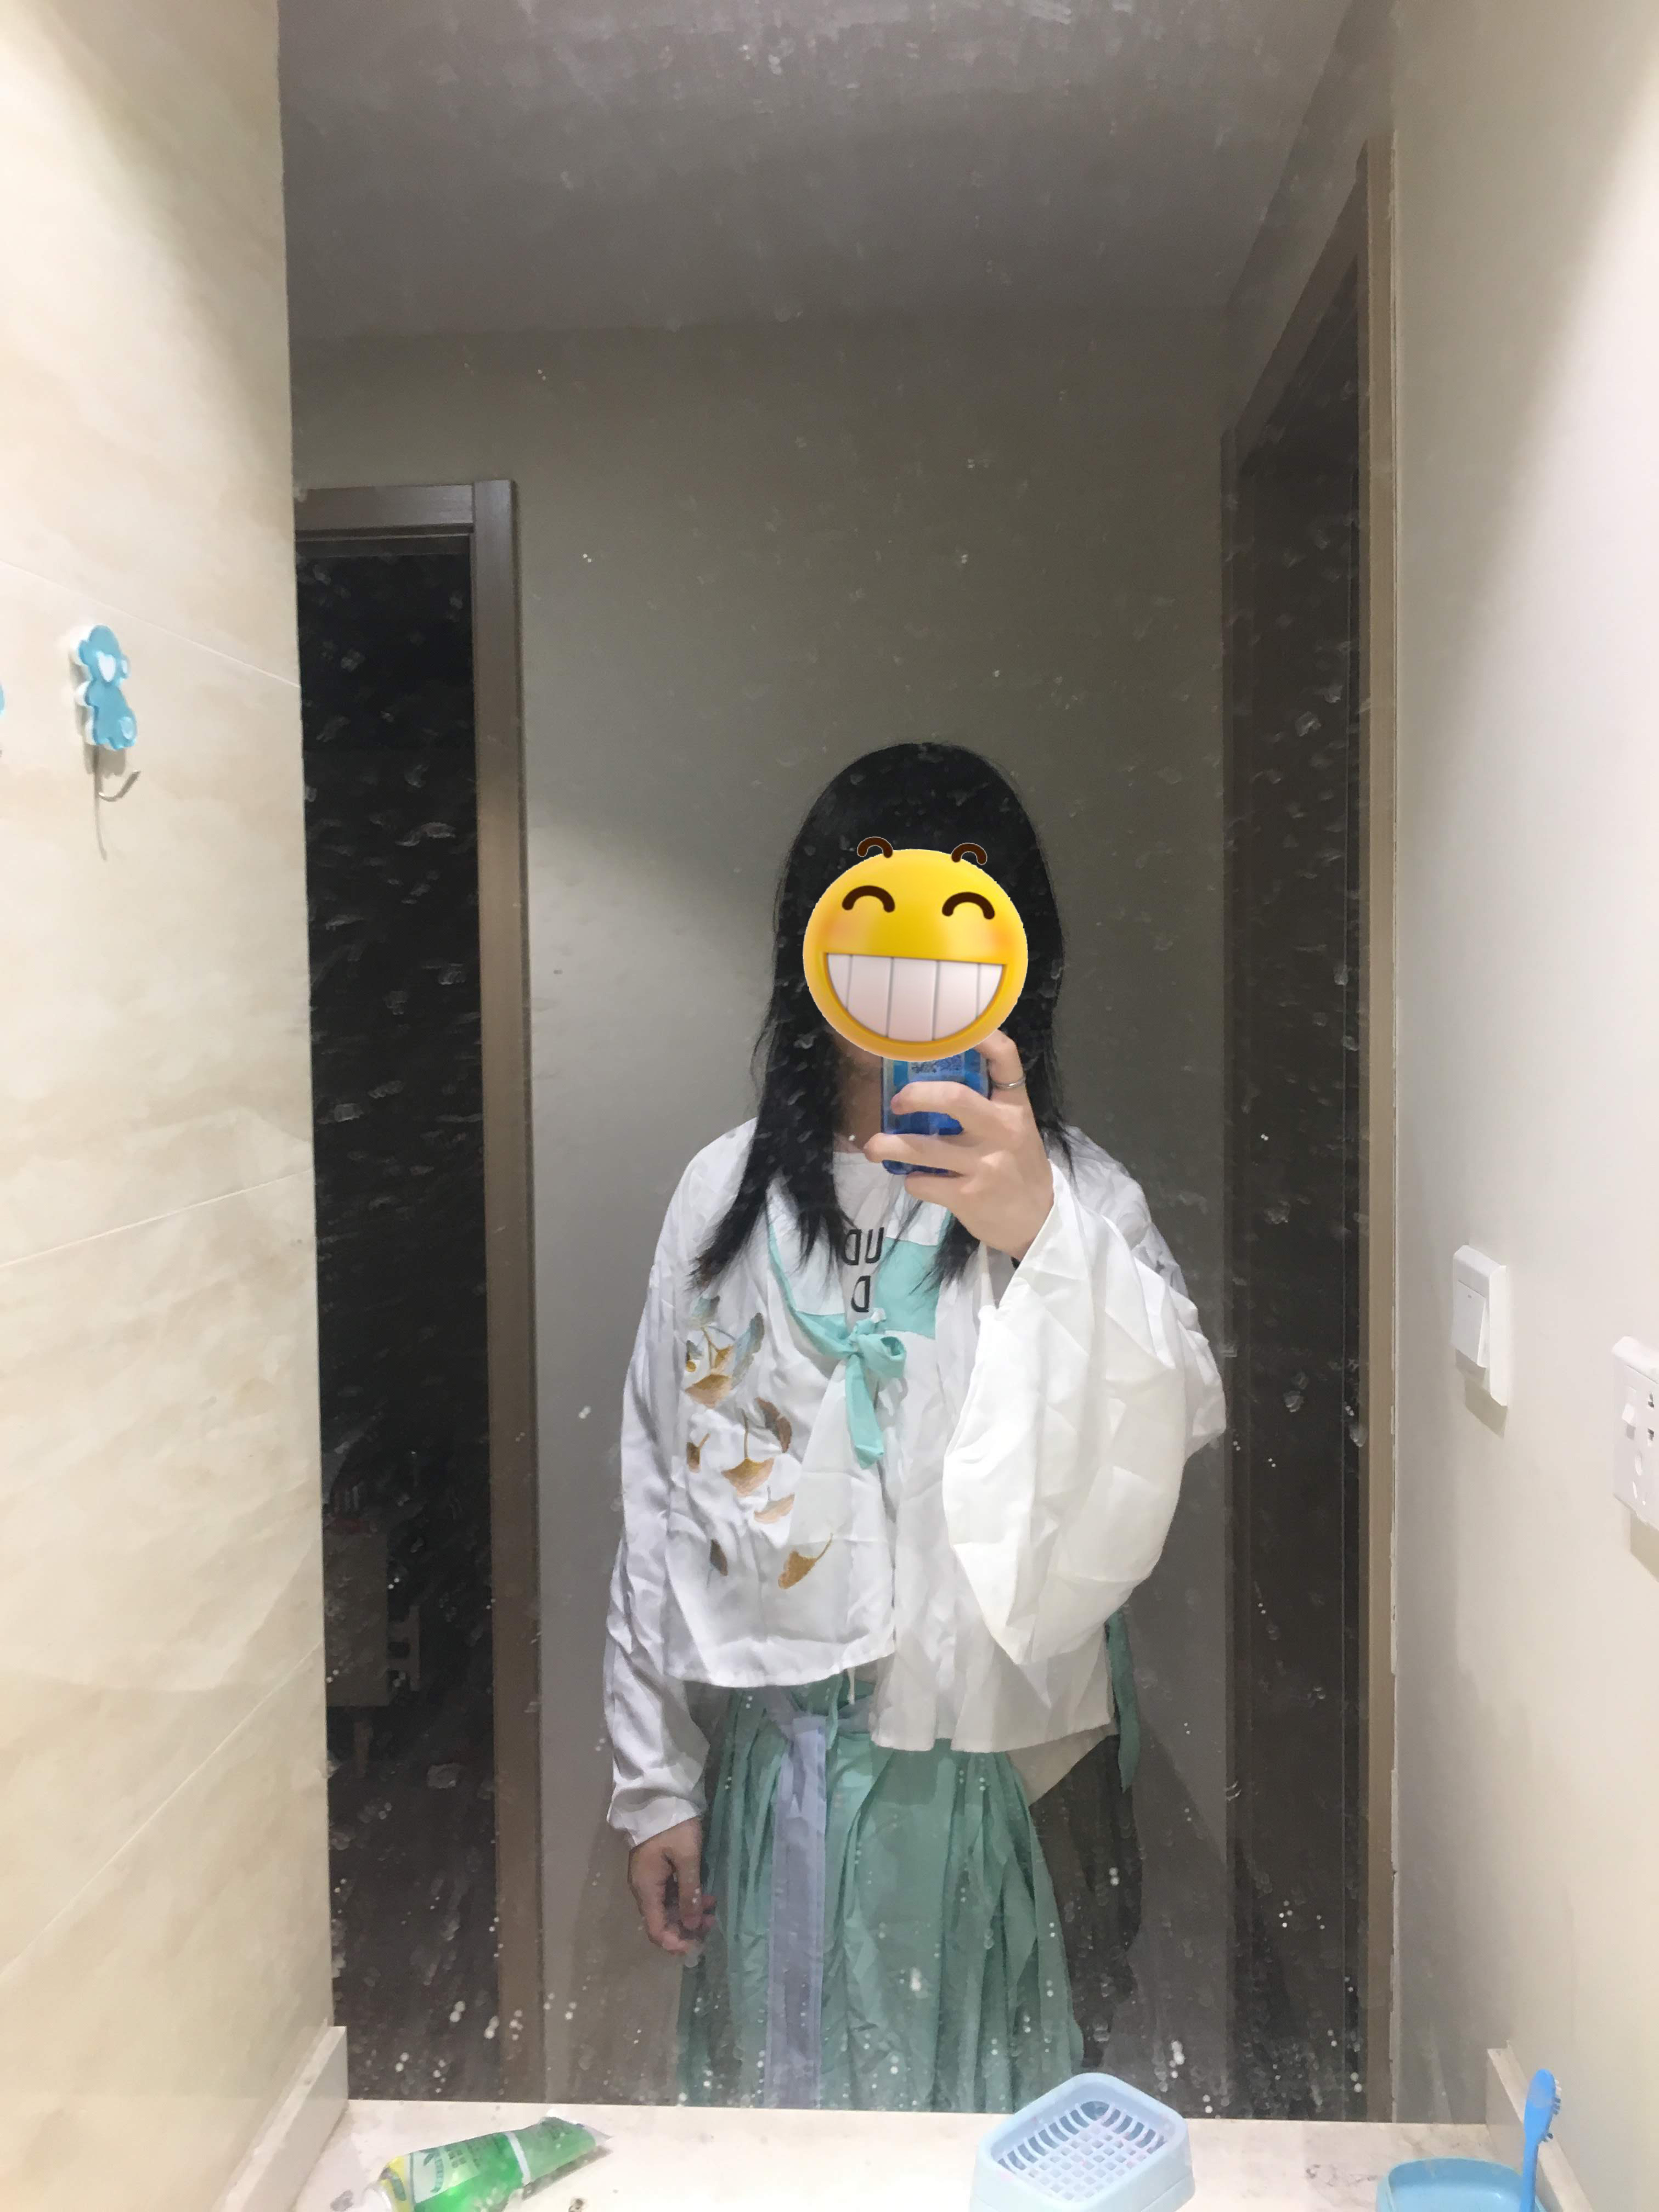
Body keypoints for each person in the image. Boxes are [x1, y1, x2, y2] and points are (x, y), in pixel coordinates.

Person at [603, 742, 1223, 2112]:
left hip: (1013, 1777)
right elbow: (661, 1488)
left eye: (962, 919)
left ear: (1015, 956)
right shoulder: (724, 1201)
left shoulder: (1074, 1195)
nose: (916, 966)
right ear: (814, 946)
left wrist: (1039, 1235)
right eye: (875, 914)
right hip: (788, 1777)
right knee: (796, 2130)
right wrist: (656, 1779)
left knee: (1002, 2136)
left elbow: (1170, 1414)